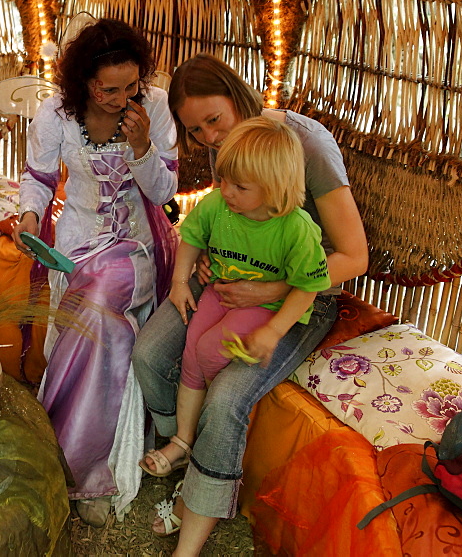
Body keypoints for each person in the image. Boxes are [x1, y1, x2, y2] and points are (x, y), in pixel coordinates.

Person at [131, 54, 368, 553]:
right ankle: (185, 448)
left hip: (303, 293)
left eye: (214, 121)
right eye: (196, 132)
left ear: (240, 96)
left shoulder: (307, 147)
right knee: (150, 352)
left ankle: (196, 501)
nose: (211, 140)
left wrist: (273, 290)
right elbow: (215, 219)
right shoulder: (232, 150)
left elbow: (354, 256)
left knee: (229, 395)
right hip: (230, 280)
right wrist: (198, 265)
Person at [11, 16, 179, 526]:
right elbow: (38, 177)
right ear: (83, 81)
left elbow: (164, 193)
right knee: (100, 322)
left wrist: (144, 146)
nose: (121, 97)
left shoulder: (154, 108)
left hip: (134, 250)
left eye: (131, 85)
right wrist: (30, 216)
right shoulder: (55, 116)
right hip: (77, 244)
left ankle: (58, 457)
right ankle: (80, 471)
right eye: (109, 89)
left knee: (98, 298)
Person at [141, 117, 331, 484]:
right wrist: (180, 282)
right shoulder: (218, 206)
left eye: (239, 186)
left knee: (208, 351)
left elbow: (309, 287)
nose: (225, 191)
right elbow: (192, 237)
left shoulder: (297, 229)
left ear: (274, 188)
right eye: (224, 179)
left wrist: (274, 331)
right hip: (221, 291)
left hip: (265, 306)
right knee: (192, 349)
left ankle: (194, 437)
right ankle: (182, 439)